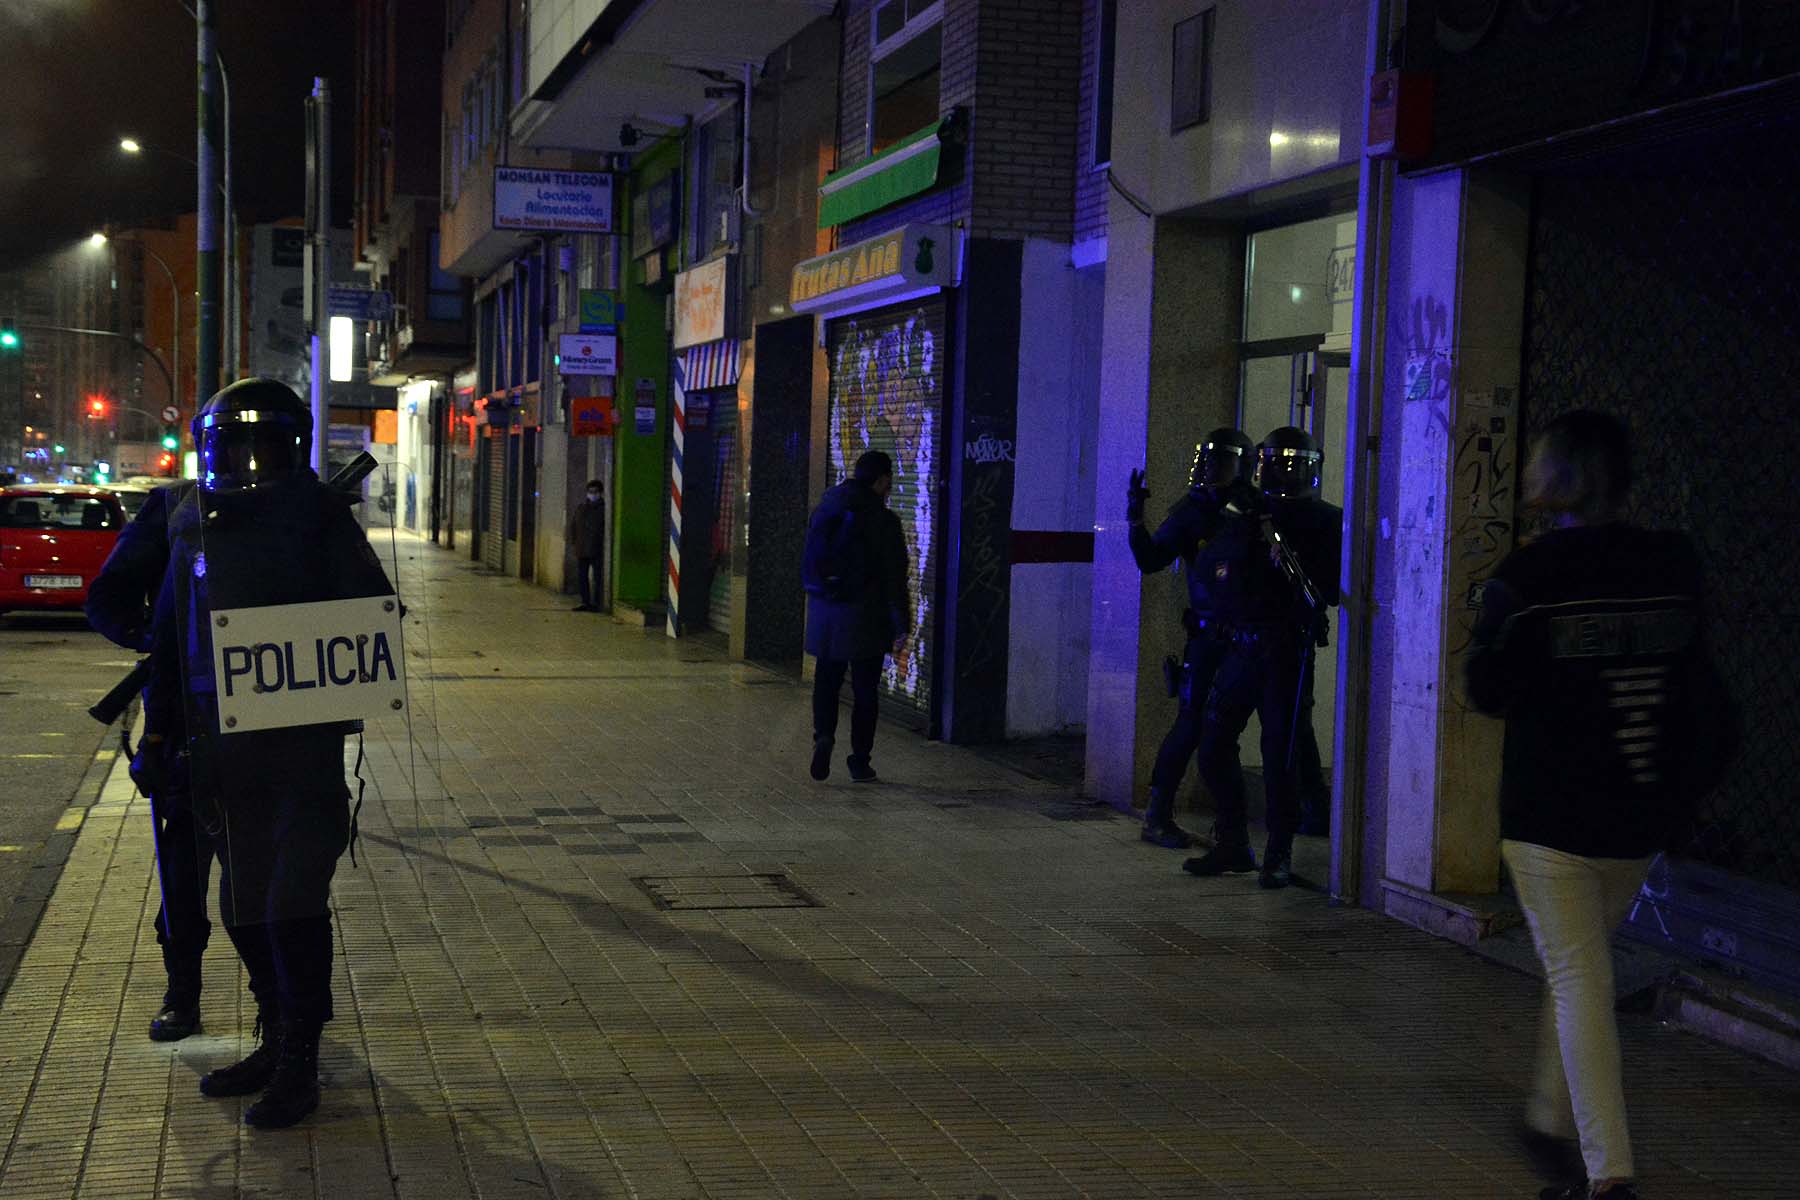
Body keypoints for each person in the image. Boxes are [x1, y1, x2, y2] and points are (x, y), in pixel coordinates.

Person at [87, 378, 395, 1130]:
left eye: (268, 443)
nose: (253, 458)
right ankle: (273, 1035)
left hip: (299, 751)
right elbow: (159, 633)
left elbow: (372, 619)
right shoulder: (186, 515)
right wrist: (161, 732)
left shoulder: (318, 515)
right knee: (244, 907)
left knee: (291, 904)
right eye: (239, 442)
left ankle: (300, 1059)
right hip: (214, 754)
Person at [1467, 411, 1729, 1200]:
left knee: (1579, 976)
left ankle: (1608, 1174)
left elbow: (1486, 687)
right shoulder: (1672, 563)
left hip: (1552, 818)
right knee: (1575, 966)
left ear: (1562, 476)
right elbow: (1697, 679)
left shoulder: (1532, 575)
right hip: (1641, 812)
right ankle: (1550, 1125)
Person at [1183, 426, 1340, 889]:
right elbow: (1214, 570)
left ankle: (1279, 850)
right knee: (1212, 745)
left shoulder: (1326, 520)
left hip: (1285, 651)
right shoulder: (1247, 512)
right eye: (1273, 462)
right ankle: (1232, 841)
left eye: (1290, 464)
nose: (1280, 472)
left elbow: (1326, 590)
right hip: (1240, 645)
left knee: (1279, 754)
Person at [86, 494, 210, 1044]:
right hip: (185, 724)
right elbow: (108, 597)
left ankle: (285, 1022)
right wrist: (160, 642)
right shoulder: (174, 507)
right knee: (182, 875)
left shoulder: (296, 505)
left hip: (272, 729)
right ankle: (182, 993)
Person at [1124, 427, 1255, 848]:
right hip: (1208, 638)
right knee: (1192, 725)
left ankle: (1234, 826)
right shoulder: (1192, 511)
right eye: (1209, 461)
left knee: (1241, 729)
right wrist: (1135, 519)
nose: (1212, 470)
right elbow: (1150, 560)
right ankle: (1158, 814)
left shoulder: (1253, 508)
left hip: (1251, 638)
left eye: (1222, 462)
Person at [802, 449, 909, 783]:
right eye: (888, 480)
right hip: (866, 617)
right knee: (865, 692)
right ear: (882, 480)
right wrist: (901, 625)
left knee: (826, 681)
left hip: (825, 615)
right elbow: (895, 578)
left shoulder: (826, 509)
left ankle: (823, 736)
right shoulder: (884, 521)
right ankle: (859, 760)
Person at [567, 479, 606, 612]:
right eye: (590, 492)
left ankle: (596, 603)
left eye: (595, 492)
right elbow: (574, 525)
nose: (592, 494)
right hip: (582, 549)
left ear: (600, 493)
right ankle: (585, 601)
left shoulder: (604, 509)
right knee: (582, 577)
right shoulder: (582, 507)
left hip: (597, 550)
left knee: (597, 578)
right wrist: (575, 542)